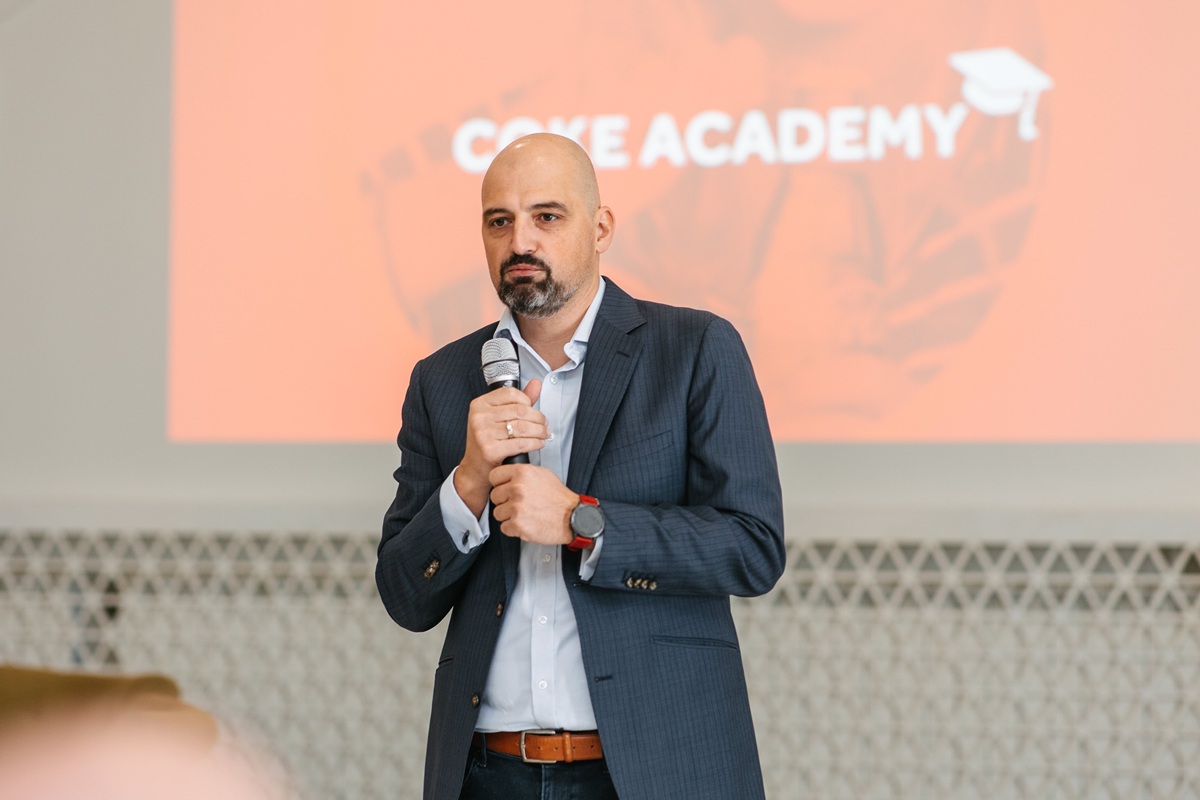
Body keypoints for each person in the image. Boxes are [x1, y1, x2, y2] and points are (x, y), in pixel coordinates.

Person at [376, 133, 785, 800]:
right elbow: (405, 596)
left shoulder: (694, 349)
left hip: (653, 769)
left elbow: (752, 548)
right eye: (499, 222)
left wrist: (579, 520)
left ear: (601, 229)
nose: (520, 241)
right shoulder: (443, 380)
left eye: (547, 216)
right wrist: (469, 481)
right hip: (489, 773)